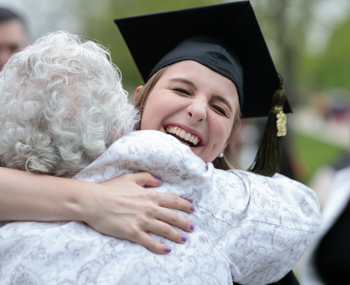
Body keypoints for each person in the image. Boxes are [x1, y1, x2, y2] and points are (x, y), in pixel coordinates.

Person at [0, 2, 320, 284]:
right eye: (182, 90)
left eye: (219, 108)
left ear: (231, 135)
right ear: (138, 100)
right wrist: (91, 198)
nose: (197, 110)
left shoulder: (240, 228)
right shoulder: (59, 156)